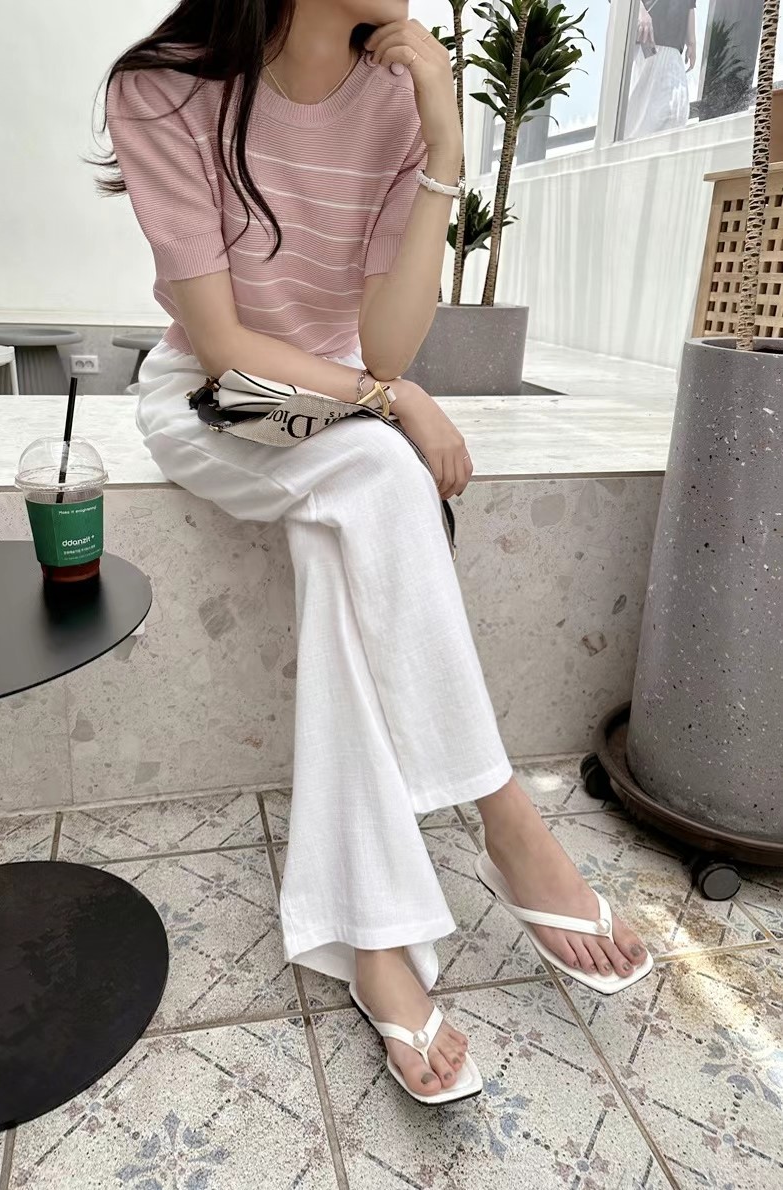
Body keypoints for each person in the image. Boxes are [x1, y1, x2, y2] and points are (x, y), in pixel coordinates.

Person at [101, 0, 652, 1104]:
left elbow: (388, 340)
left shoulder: (399, 97)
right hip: (213, 400)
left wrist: (444, 143)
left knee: (341, 535)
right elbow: (223, 345)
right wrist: (392, 400)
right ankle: (508, 820)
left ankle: (375, 944)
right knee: (379, 469)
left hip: (341, 404)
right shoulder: (163, 88)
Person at [625, 0, 698, 139]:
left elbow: (690, 4)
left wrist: (691, 41)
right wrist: (640, 12)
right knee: (640, 115)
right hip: (648, 40)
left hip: (673, 49)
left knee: (675, 111)